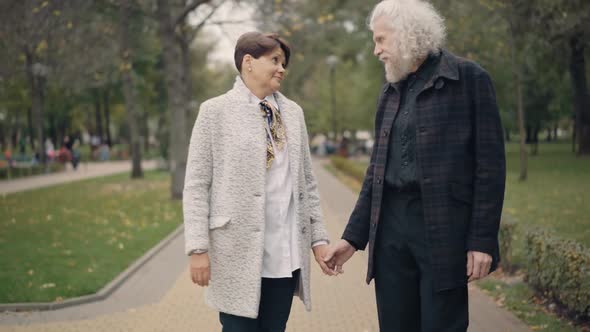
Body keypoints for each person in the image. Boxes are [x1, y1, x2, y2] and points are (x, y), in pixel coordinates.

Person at [323, 1, 506, 331]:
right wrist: (351, 239)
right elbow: (375, 174)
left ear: (408, 35)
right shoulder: (390, 91)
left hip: (443, 230)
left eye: (381, 40)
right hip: (391, 232)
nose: (376, 50)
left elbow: (490, 168)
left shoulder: (468, 79)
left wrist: (481, 240)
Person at [183, 31, 332, 332]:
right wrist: (198, 249)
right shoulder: (214, 112)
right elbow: (197, 184)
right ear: (248, 62)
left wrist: (318, 239)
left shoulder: (293, 113)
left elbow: (306, 184)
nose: (282, 68)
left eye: (284, 62)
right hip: (236, 253)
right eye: (275, 60)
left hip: (284, 254)